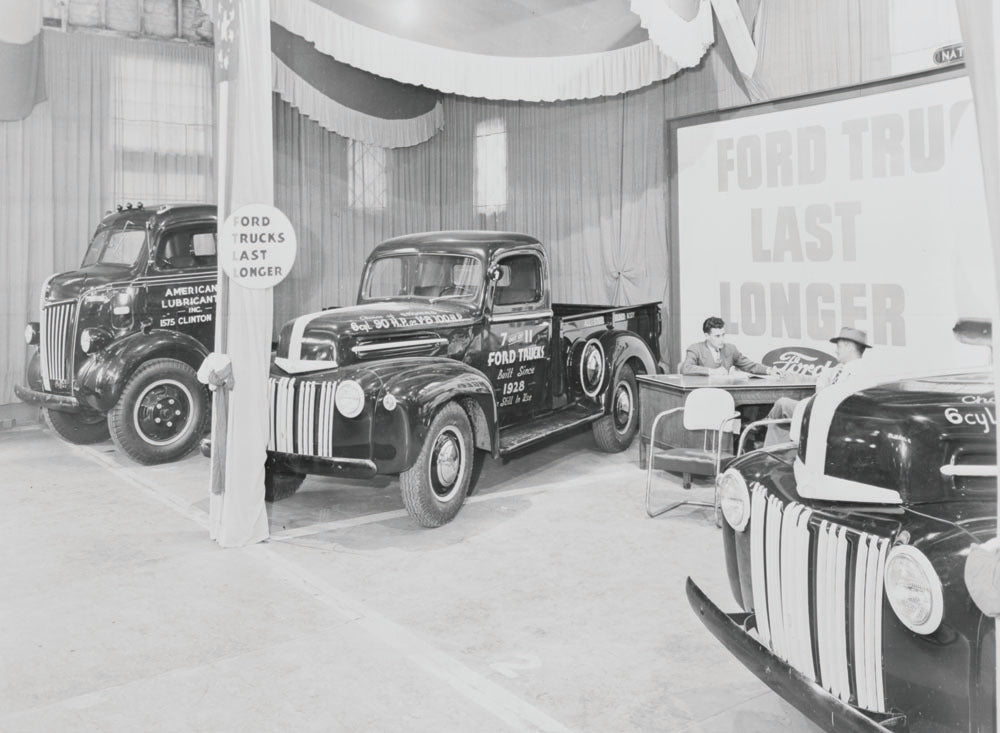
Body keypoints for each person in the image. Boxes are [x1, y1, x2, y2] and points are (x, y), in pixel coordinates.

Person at [763, 326, 871, 446]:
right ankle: (773, 443)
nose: (836, 350)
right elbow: (821, 384)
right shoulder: (844, 369)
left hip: (830, 419)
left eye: (839, 346)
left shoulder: (857, 373)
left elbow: (830, 398)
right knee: (781, 410)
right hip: (827, 413)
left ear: (849, 347)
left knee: (782, 404)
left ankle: (767, 445)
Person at [679, 316, 778, 376]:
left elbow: (749, 365)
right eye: (717, 336)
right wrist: (712, 372)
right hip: (703, 393)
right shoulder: (695, 349)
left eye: (723, 335)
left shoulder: (730, 349)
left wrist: (769, 370)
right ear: (707, 336)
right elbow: (686, 368)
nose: (722, 339)